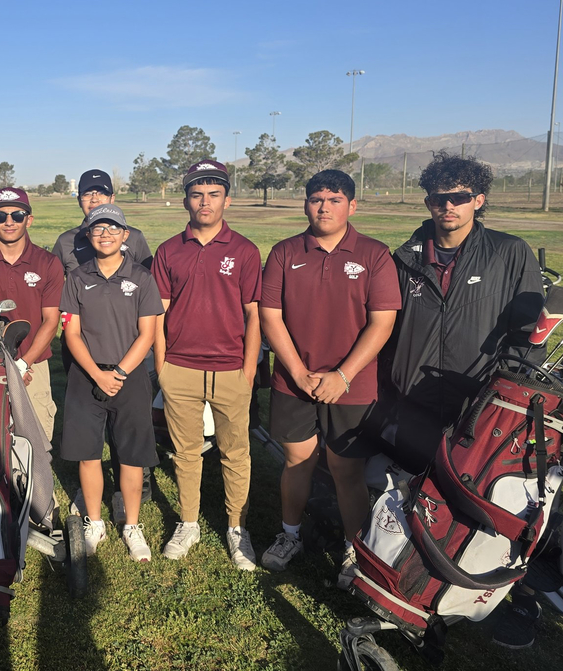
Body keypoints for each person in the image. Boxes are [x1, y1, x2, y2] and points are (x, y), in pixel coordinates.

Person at [378, 151, 545, 649]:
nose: (446, 206)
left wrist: (504, 396)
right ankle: (416, 595)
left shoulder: (510, 252)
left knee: (489, 507)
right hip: (414, 402)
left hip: (482, 410)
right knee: (421, 502)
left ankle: (517, 599)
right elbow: (386, 329)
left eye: (458, 197)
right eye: (437, 198)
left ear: (479, 200)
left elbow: (526, 338)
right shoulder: (405, 256)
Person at [258, 170, 400, 587]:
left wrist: (342, 375)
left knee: (346, 470)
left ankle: (354, 550)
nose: (324, 206)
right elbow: (271, 316)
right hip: (293, 383)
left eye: (334, 200)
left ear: (352, 206)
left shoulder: (374, 254)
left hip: (352, 386)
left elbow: (382, 322)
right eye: (316, 198)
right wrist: (299, 372)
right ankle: (290, 535)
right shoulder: (285, 252)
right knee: (297, 462)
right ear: (306, 204)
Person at [151, 159, 262, 568]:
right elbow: (159, 314)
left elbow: (253, 315)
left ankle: (236, 528)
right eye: (197, 194)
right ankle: (189, 521)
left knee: (236, 452)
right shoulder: (168, 250)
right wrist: (162, 366)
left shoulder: (245, 250)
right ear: (186, 200)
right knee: (186, 452)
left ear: (227, 200)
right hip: (179, 368)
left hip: (232, 369)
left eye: (214, 194)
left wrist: (249, 370)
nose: (205, 202)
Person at [59, 204, 163, 562]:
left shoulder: (142, 277)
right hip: (86, 374)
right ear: (89, 235)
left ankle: (132, 525)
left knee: (131, 456)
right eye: (98, 229)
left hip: (129, 376)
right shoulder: (77, 277)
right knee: (88, 453)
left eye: (113, 229)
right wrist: (97, 373)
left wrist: (118, 373)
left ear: (125, 236)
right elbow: (72, 333)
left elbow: (147, 333)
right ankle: (95, 521)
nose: (105, 235)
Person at [51, 169, 153, 521]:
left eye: (100, 193)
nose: (93, 199)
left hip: (128, 355)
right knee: (88, 434)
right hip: (84, 355)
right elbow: (64, 311)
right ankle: (92, 495)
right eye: (86, 194)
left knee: (130, 435)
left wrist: (124, 368)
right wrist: (94, 371)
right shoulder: (67, 243)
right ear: (78, 199)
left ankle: (134, 492)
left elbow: (146, 302)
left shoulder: (136, 243)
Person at [0, 187, 64, 443]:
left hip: (34, 365)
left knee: (36, 443)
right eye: (1, 215)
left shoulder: (48, 263)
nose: (9, 222)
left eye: (17, 215)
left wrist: (23, 363)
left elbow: (51, 321)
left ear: (29, 219)